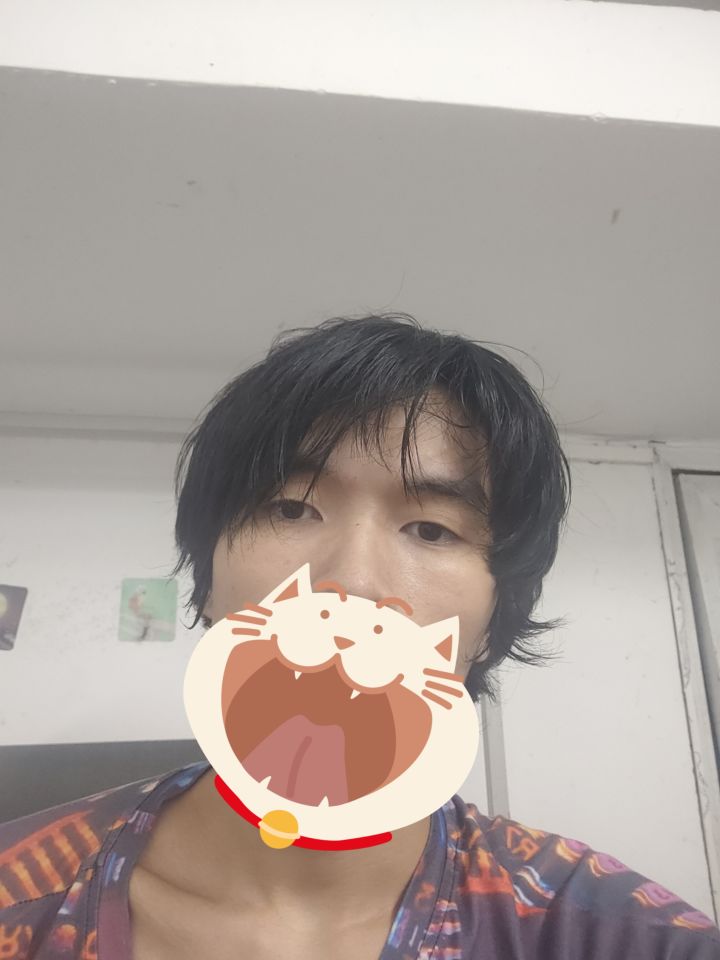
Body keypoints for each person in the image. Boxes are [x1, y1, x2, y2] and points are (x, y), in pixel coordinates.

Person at [1, 313, 718, 959]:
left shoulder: (605, 932)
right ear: (209, 575)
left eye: (431, 529)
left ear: (493, 620)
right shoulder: (21, 894)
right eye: (291, 509)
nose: (353, 582)